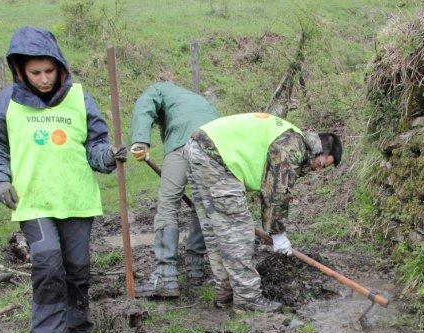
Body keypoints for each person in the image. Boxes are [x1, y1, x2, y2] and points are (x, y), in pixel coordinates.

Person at [0, 27, 126, 333]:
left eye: (49, 71)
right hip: (34, 202)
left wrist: (108, 156)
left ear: (60, 66)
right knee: (47, 266)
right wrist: (0, 179)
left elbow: (95, 144)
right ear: (20, 71)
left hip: (77, 200)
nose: (44, 79)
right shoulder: (6, 103)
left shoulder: (80, 98)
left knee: (77, 269)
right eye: (35, 73)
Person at [181, 112, 341, 312]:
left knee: (217, 230)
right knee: (237, 232)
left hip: (199, 149)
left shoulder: (288, 136)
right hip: (216, 158)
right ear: (319, 150)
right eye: (323, 163)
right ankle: (247, 297)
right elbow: (276, 192)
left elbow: (268, 187)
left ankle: (226, 291)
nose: (319, 169)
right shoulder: (293, 145)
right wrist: (279, 234)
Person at [129, 81, 218, 298]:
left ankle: (165, 275)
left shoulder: (158, 88)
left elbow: (145, 105)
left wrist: (141, 139)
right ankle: (195, 267)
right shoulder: (199, 101)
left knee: (168, 205)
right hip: (215, 143)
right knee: (203, 204)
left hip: (182, 142)